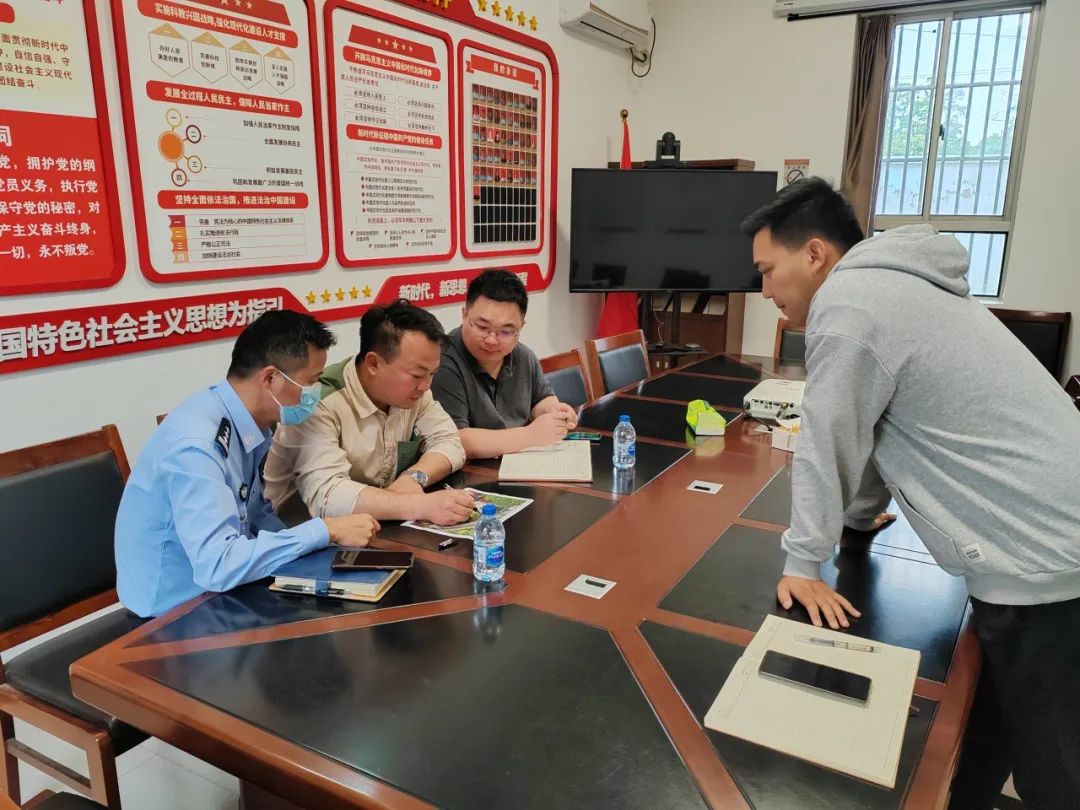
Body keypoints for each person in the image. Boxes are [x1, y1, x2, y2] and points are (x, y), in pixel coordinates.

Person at [739, 177, 1080, 809]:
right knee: (982, 739)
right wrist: (860, 516)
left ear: (814, 254)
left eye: (766, 271)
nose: (764, 291)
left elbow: (827, 439)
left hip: (1043, 556)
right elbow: (874, 425)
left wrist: (803, 564)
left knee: (1057, 772)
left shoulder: (851, 303)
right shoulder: (894, 287)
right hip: (1051, 533)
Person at [115, 310, 380, 618]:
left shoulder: (245, 423)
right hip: (172, 614)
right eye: (311, 382)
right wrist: (324, 531)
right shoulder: (197, 448)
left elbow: (256, 516)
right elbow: (218, 564)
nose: (315, 394)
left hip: (225, 592)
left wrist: (315, 553)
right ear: (270, 379)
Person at [264, 299, 473, 526]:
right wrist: (420, 506)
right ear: (373, 363)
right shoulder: (318, 402)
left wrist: (414, 478)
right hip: (296, 530)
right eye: (417, 375)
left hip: (372, 526)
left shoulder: (415, 393)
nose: (425, 386)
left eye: (432, 373)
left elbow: (449, 441)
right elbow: (328, 496)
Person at [431, 269, 577, 458]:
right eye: (482, 327)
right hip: (473, 470)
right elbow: (455, 440)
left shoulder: (523, 356)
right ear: (464, 315)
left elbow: (540, 399)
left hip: (520, 461)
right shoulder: (442, 361)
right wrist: (532, 435)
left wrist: (554, 411)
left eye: (506, 332)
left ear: (520, 328)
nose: (491, 340)